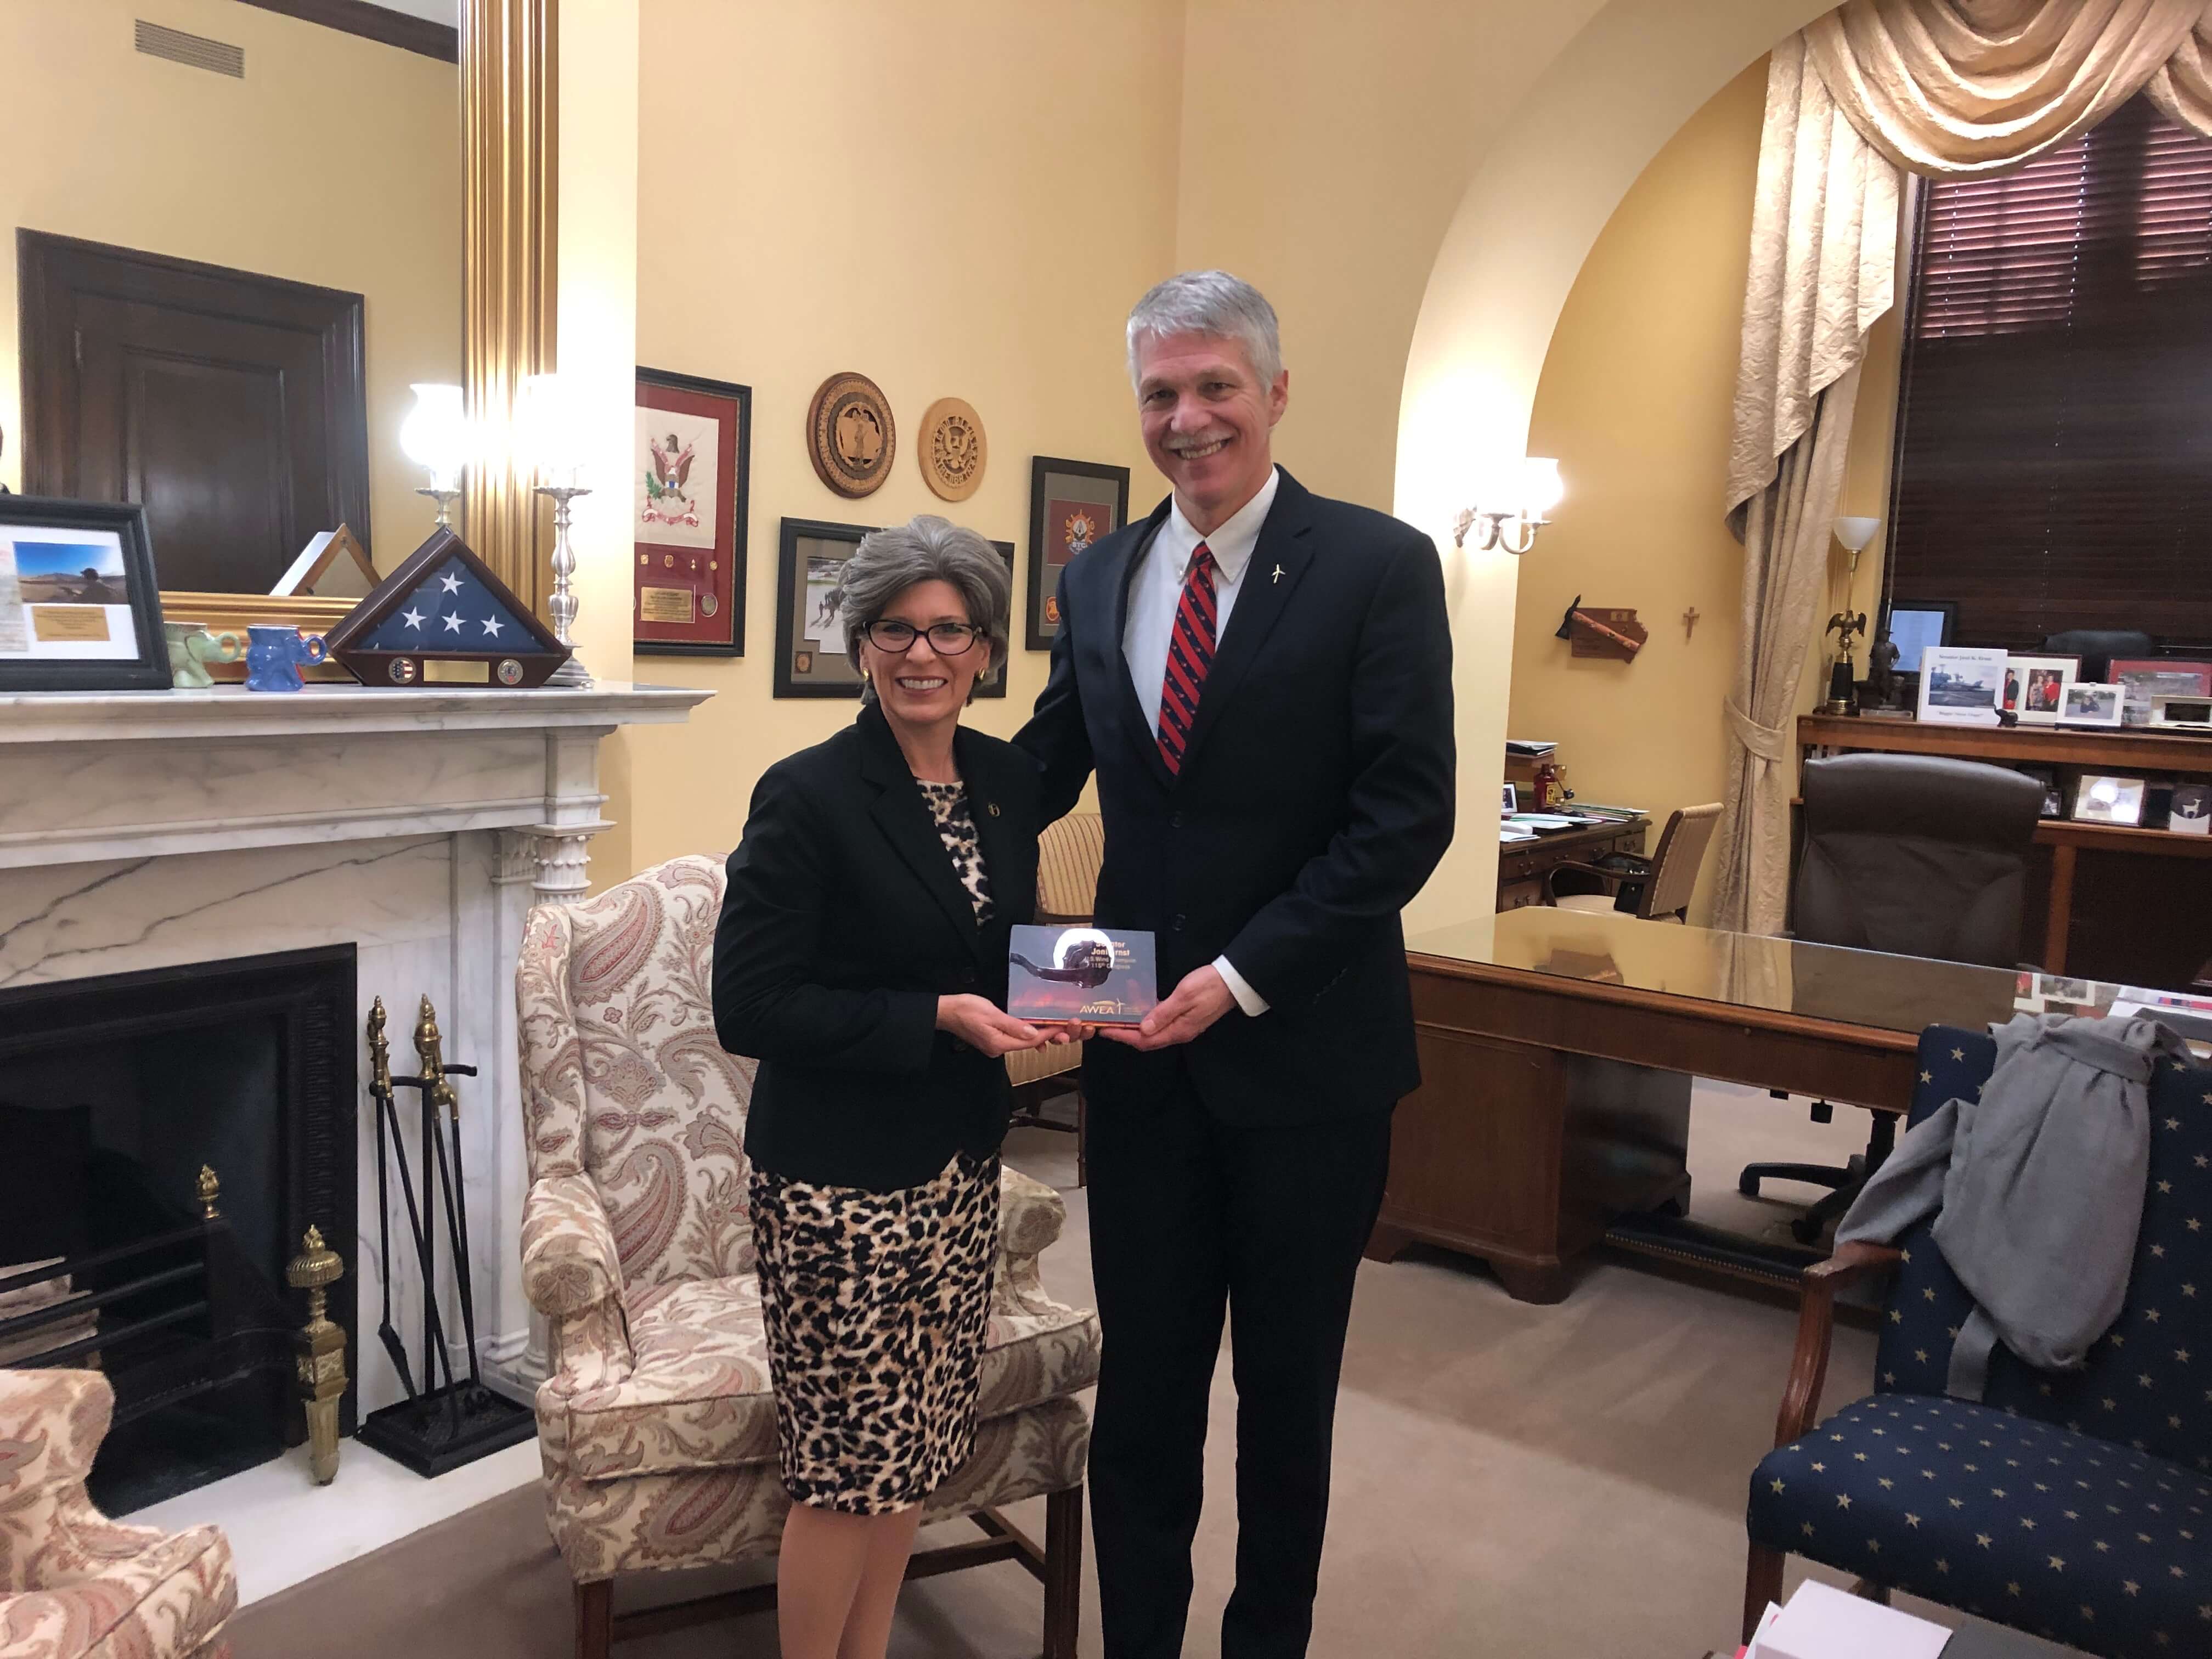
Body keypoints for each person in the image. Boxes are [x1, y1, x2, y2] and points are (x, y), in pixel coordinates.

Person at [1015, 269, 1457, 1658]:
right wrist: (879, 805)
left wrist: (1245, 974)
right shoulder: (1097, 574)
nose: (1188, 418)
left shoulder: (1379, 566)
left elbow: (1406, 817)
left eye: (1215, 387)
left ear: (1274, 392)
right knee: (1142, 1397)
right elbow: (1038, 765)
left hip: (1307, 1063)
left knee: (1285, 1406)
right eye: (1161, 393)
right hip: (1138, 1064)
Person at [712, 515, 1069, 1659]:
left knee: (913, 1444)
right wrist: (936, 1018)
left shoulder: (1010, 781)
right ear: (859, 645)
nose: (924, 655)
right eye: (896, 631)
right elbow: (751, 1007)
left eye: (949, 630)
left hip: (959, 1163)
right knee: (842, 1468)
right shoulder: (806, 794)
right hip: (836, 1180)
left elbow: (1004, 944)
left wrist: (1074, 994)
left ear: (984, 647)